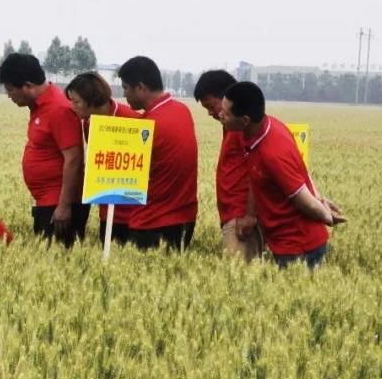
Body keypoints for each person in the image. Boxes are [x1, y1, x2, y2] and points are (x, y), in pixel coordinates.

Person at [221, 82, 346, 268]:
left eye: (226, 113)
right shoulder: (262, 130)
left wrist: (327, 216)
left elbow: (304, 200)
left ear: (245, 120)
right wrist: (249, 214)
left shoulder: (272, 153)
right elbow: (298, 171)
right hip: (283, 242)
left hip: (298, 246)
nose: (220, 115)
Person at [0, 53, 89, 246]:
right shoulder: (39, 106)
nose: (8, 95)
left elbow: (73, 159)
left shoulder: (58, 108)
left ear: (28, 86)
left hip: (59, 206)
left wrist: (64, 206)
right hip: (48, 202)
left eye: (11, 90)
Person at [118, 56, 198, 250]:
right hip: (184, 217)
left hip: (152, 222)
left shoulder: (147, 127)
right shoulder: (182, 110)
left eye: (126, 88)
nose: (124, 94)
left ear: (141, 88)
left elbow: (126, 176)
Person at [65, 71, 144, 245]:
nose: (73, 106)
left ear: (92, 100)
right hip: (106, 210)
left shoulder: (133, 121)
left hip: (133, 213)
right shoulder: (88, 122)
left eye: (76, 101)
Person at [193, 70, 263, 261]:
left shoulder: (243, 127)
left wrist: (249, 215)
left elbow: (258, 171)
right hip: (233, 216)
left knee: (239, 280)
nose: (210, 113)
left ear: (226, 99)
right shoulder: (231, 127)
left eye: (211, 106)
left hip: (241, 220)